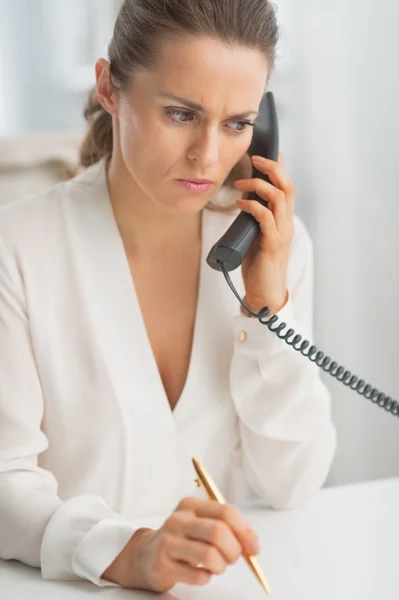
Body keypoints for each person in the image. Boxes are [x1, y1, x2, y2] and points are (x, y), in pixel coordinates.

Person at [0, 0, 336, 593]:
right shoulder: (19, 247)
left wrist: (266, 314)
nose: (208, 157)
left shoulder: (267, 247)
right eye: (181, 114)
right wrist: (126, 551)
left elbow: (293, 482)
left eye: (237, 123)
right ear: (109, 88)